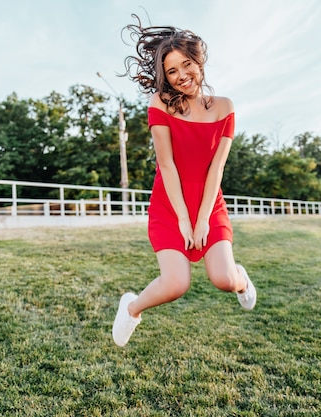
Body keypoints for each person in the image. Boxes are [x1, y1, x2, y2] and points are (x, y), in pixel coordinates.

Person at [112, 15, 257, 347]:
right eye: (172, 71)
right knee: (176, 284)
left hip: (209, 202)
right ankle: (132, 308)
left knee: (223, 279)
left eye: (186, 65)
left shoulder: (224, 107)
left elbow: (216, 168)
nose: (181, 76)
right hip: (169, 204)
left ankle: (241, 280)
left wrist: (202, 218)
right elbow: (167, 164)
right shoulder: (160, 104)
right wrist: (183, 218)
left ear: (199, 61)